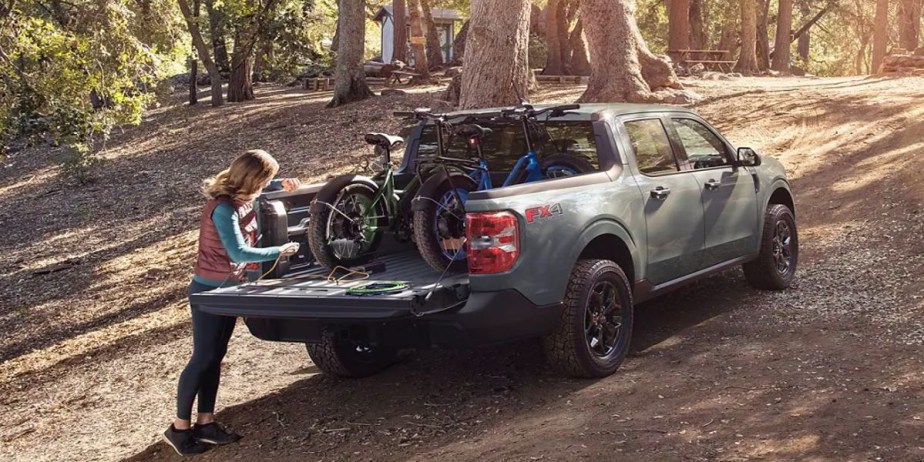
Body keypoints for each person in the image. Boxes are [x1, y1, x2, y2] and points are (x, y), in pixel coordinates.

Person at [164, 149, 301, 456]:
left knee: (215, 356)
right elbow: (238, 253)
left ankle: (206, 423)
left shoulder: (242, 199)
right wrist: (281, 250)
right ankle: (178, 428)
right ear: (253, 178)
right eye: (266, 180)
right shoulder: (223, 209)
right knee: (202, 358)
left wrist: (283, 185)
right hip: (208, 292)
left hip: (228, 290)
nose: (267, 185)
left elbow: (262, 197)